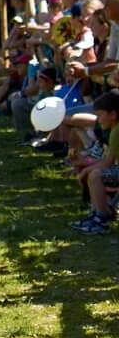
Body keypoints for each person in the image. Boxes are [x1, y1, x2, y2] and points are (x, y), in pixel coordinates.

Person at [70, 90, 119, 234]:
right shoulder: (115, 129)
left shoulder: (116, 131)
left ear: (113, 114)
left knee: (96, 175)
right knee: (95, 173)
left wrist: (87, 170)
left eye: (99, 115)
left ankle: (101, 219)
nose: (98, 120)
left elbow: (108, 162)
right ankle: (100, 214)